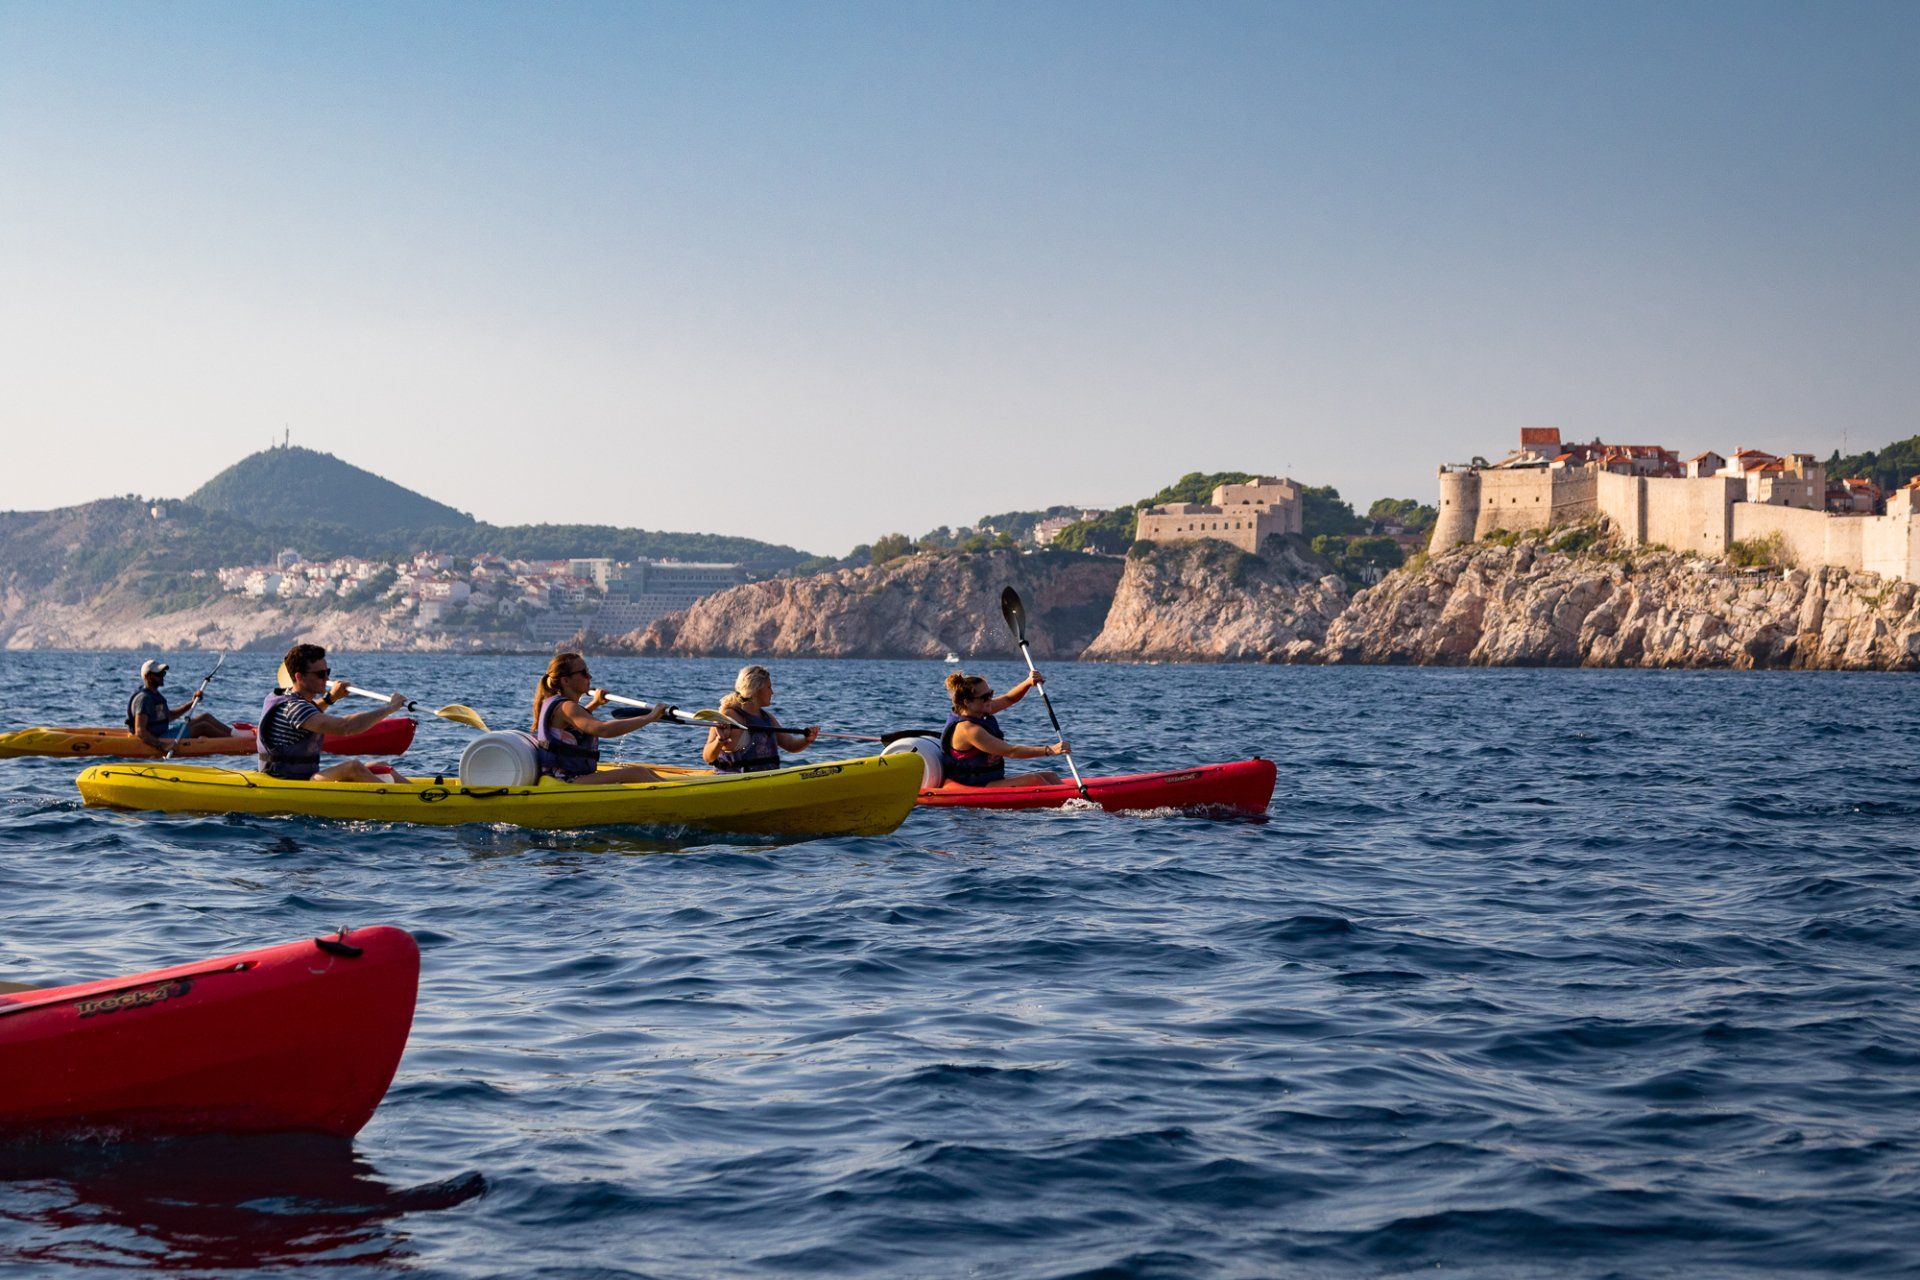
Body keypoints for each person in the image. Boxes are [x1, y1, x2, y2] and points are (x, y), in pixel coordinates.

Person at [258, 644, 409, 783]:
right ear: (299, 677)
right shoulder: (294, 707)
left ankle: (421, 797)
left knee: (380, 765)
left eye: (327, 672)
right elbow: (346, 727)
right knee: (352, 767)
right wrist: (390, 708)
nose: (327, 679)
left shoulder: (291, 699)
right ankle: (405, 802)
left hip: (305, 778)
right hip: (288, 781)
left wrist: (331, 698)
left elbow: (310, 714)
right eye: (320, 674)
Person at [531, 652, 667, 784]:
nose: (589, 677)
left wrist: (595, 704)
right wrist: (649, 717)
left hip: (566, 776)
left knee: (644, 771)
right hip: (565, 780)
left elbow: (572, 725)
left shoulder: (559, 704)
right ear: (566, 680)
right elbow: (603, 730)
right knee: (638, 774)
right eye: (583, 673)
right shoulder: (566, 707)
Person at [939, 670, 1069, 787]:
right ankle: (1072, 804)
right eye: (984, 697)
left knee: (1051, 775)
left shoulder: (980, 710)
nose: (989, 700)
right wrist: (1050, 750)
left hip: (989, 779)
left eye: (990, 694)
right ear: (967, 702)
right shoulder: (968, 730)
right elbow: (1011, 751)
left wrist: (1028, 682)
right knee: (1034, 780)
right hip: (975, 785)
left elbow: (1008, 699)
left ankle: (1076, 800)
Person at [702, 665, 819, 773]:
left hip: (766, 781)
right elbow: (708, 757)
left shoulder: (767, 718)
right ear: (755, 690)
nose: (772, 692)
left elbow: (790, 744)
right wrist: (720, 740)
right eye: (769, 687)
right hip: (733, 782)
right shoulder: (729, 716)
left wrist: (807, 740)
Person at [126, 658, 231, 749]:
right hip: (158, 739)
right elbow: (140, 731)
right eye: (159, 674)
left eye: (163, 673)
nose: (163, 676)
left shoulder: (154, 695)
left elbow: (169, 717)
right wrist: (162, 745)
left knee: (205, 717)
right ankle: (235, 742)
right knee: (203, 727)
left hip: (164, 734)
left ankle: (236, 734)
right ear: (147, 677)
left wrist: (191, 703)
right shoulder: (144, 699)